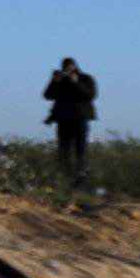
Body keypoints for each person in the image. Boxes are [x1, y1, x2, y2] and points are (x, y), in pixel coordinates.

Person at [42, 58, 98, 187]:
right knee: (63, 151)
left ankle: (81, 182)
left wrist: (76, 82)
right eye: (65, 67)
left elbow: (90, 95)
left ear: (74, 66)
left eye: (69, 67)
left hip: (80, 118)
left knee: (81, 151)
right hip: (63, 119)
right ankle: (65, 180)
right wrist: (54, 81)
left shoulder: (85, 78)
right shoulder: (60, 80)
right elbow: (48, 95)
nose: (67, 69)